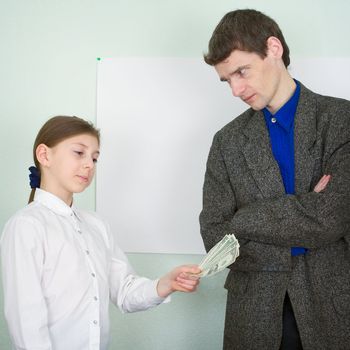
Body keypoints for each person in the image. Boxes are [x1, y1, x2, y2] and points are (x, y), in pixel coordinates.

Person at [199, 9, 350, 350]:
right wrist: (305, 219)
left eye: (241, 72)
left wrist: (245, 219)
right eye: (227, 80)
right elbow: (214, 235)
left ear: (273, 48)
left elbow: (330, 217)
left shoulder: (341, 120)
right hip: (253, 313)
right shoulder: (228, 142)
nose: (236, 90)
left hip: (331, 305)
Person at [1, 115, 200, 350]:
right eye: (79, 153)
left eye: (95, 158)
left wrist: (166, 283)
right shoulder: (26, 226)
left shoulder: (96, 225)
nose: (89, 165)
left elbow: (125, 292)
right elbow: (27, 322)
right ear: (44, 155)